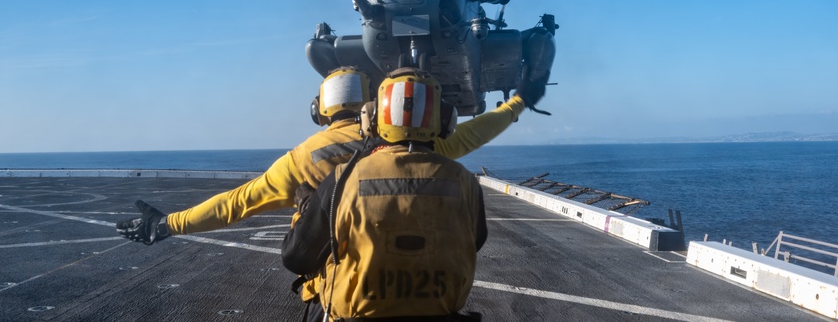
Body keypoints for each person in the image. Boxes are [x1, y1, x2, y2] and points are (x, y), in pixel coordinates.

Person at [114, 65, 544, 247]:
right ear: (372, 104)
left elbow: (236, 204)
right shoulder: (419, 143)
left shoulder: (303, 158)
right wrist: (518, 102)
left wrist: (167, 224)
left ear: (320, 109)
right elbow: (475, 132)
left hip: (350, 289)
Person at [282, 69, 487, 321]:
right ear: (445, 120)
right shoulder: (466, 182)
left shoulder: (342, 180)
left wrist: (307, 210)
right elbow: (474, 241)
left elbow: (296, 258)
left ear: (372, 118)